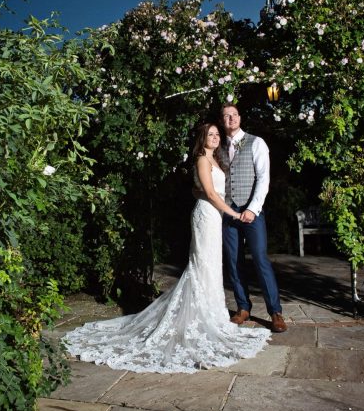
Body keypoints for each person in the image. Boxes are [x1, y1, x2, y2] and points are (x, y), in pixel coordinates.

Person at [64, 123, 271, 373]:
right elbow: (211, 194)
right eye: (211, 134)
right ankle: (199, 318)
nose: (215, 137)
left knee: (212, 266)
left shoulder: (215, 159)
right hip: (207, 216)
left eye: (217, 134)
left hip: (215, 217)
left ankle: (213, 315)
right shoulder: (202, 160)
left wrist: (223, 209)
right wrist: (234, 215)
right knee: (202, 265)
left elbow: (207, 190)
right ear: (202, 138)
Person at [220, 103, 287, 332]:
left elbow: (263, 179)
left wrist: (253, 208)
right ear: (222, 120)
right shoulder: (218, 147)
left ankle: (275, 312)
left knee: (260, 258)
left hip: (252, 211)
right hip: (229, 212)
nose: (231, 119)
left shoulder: (256, 142)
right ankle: (243, 307)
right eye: (226, 116)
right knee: (233, 260)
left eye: (234, 115)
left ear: (240, 117)